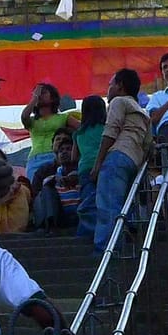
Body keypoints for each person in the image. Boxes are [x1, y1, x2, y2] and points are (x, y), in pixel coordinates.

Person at [91, 68, 151, 251]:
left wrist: (98, 163)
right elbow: (148, 144)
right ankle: (123, 247)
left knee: (108, 206)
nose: (108, 89)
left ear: (120, 86)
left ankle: (106, 251)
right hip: (133, 161)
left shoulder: (118, 102)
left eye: (110, 84)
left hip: (116, 157)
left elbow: (110, 132)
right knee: (122, 207)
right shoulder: (143, 113)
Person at [21, 83, 80, 184]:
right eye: (36, 93)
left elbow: (82, 128)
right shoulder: (31, 121)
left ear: (53, 98)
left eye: (43, 92)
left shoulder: (63, 117)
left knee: (56, 186)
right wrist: (35, 98)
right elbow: (24, 117)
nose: (39, 95)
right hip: (35, 159)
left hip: (56, 156)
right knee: (35, 188)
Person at [31, 135, 80, 234]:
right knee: (46, 189)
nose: (64, 152)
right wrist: (56, 179)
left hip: (79, 215)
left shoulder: (83, 172)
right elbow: (44, 183)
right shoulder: (56, 175)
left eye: (68, 149)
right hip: (61, 216)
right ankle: (50, 225)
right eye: (61, 150)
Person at [72, 95, 106, 239]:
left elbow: (74, 157)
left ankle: (85, 233)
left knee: (88, 199)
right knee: (104, 201)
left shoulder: (78, 133)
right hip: (104, 167)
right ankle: (104, 233)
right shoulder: (106, 129)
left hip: (85, 169)